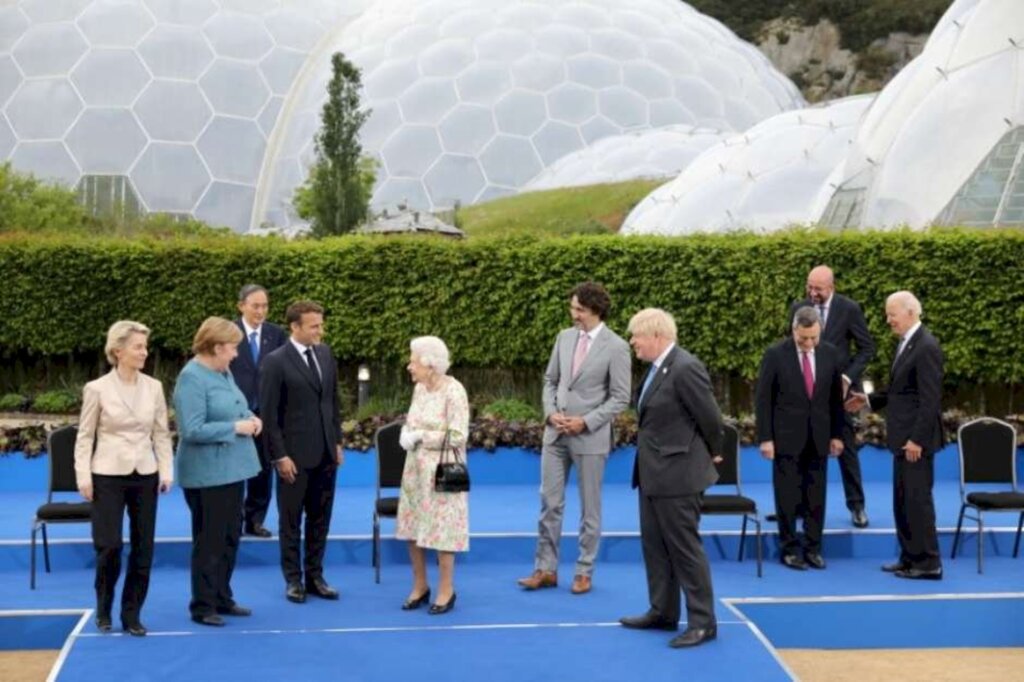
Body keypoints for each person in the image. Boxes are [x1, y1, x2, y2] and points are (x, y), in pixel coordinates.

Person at [517, 282, 631, 595]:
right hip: (555, 435)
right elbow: (550, 381)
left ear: (595, 310)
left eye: (578, 309)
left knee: (589, 509)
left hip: (590, 437)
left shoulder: (617, 346)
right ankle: (545, 569)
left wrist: (586, 422)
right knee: (549, 503)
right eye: (573, 307)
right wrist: (550, 412)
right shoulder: (564, 338)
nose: (573, 314)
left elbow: (621, 397)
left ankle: (584, 570)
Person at [619, 308, 723, 649]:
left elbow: (710, 418)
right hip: (652, 474)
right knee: (655, 547)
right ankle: (663, 611)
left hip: (679, 477)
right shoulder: (655, 369)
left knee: (684, 550)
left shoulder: (685, 367)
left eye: (636, 335)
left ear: (657, 336)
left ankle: (703, 623)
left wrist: (712, 453)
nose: (632, 341)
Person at [73, 320, 173, 637]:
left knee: (144, 548)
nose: (144, 352)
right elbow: (85, 437)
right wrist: (83, 477)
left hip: (146, 474)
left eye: (145, 346)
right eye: (138, 347)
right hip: (106, 474)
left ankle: (132, 614)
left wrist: (166, 470)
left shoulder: (154, 387)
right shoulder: (97, 389)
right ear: (118, 351)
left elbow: (161, 433)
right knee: (110, 546)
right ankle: (104, 607)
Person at [845, 291, 944, 580]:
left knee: (917, 502)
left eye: (892, 314)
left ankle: (928, 563)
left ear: (910, 312)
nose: (888, 320)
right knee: (903, 501)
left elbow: (930, 400)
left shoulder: (926, 346)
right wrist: (868, 401)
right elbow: (900, 391)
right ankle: (909, 557)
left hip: (915, 442)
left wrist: (917, 440)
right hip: (903, 439)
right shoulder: (907, 343)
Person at [174, 317, 263, 626]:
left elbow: (235, 406)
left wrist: (251, 417)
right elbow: (191, 428)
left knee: (229, 537)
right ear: (215, 347)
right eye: (232, 348)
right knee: (209, 540)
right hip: (207, 474)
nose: (236, 354)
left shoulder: (222, 371)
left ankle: (222, 597)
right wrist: (235, 427)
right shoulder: (192, 378)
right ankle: (203, 605)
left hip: (232, 470)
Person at [260, 300, 344, 603]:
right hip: (293, 458)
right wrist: (279, 456)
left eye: (321, 324)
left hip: (325, 455)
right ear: (295, 327)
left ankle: (316, 576)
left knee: (321, 518)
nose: (320, 330)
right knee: (291, 521)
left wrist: (336, 442)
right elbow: (269, 416)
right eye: (314, 326)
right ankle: (293, 580)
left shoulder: (325, 353)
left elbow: (333, 402)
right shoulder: (275, 361)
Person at [756, 307, 845, 570]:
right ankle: (789, 549)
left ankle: (813, 548)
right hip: (785, 438)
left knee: (816, 495)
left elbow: (835, 400)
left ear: (820, 331)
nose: (808, 344)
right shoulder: (775, 355)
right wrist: (765, 438)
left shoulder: (830, 353)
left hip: (819, 437)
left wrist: (838, 434)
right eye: (803, 338)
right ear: (794, 330)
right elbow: (763, 400)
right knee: (787, 495)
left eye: (813, 338)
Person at [790, 265, 876, 528]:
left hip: (840, 392)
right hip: (807, 391)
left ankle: (857, 506)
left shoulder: (849, 308)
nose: (813, 293)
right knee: (803, 447)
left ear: (831, 287)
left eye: (818, 288)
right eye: (810, 286)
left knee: (846, 447)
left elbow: (867, 348)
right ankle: (798, 505)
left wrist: (848, 378)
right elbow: (791, 346)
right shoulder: (799, 308)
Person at [396, 336, 470, 615]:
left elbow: (458, 435)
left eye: (413, 361)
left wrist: (421, 436)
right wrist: (406, 432)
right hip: (415, 469)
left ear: (430, 364)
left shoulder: (454, 390)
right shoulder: (420, 389)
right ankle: (420, 586)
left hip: (443, 470)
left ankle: (446, 589)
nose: (409, 366)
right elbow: (412, 420)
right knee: (413, 527)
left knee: (443, 529)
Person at [230, 284, 286, 538]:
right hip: (233, 414)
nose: (260, 311)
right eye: (255, 306)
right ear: (241, 306)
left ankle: (254, 520)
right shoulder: (228, 333)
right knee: (232, 472)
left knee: (262, 471)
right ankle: (231, 520)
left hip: (266, 414)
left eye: (264, 306)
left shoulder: (277, 335)